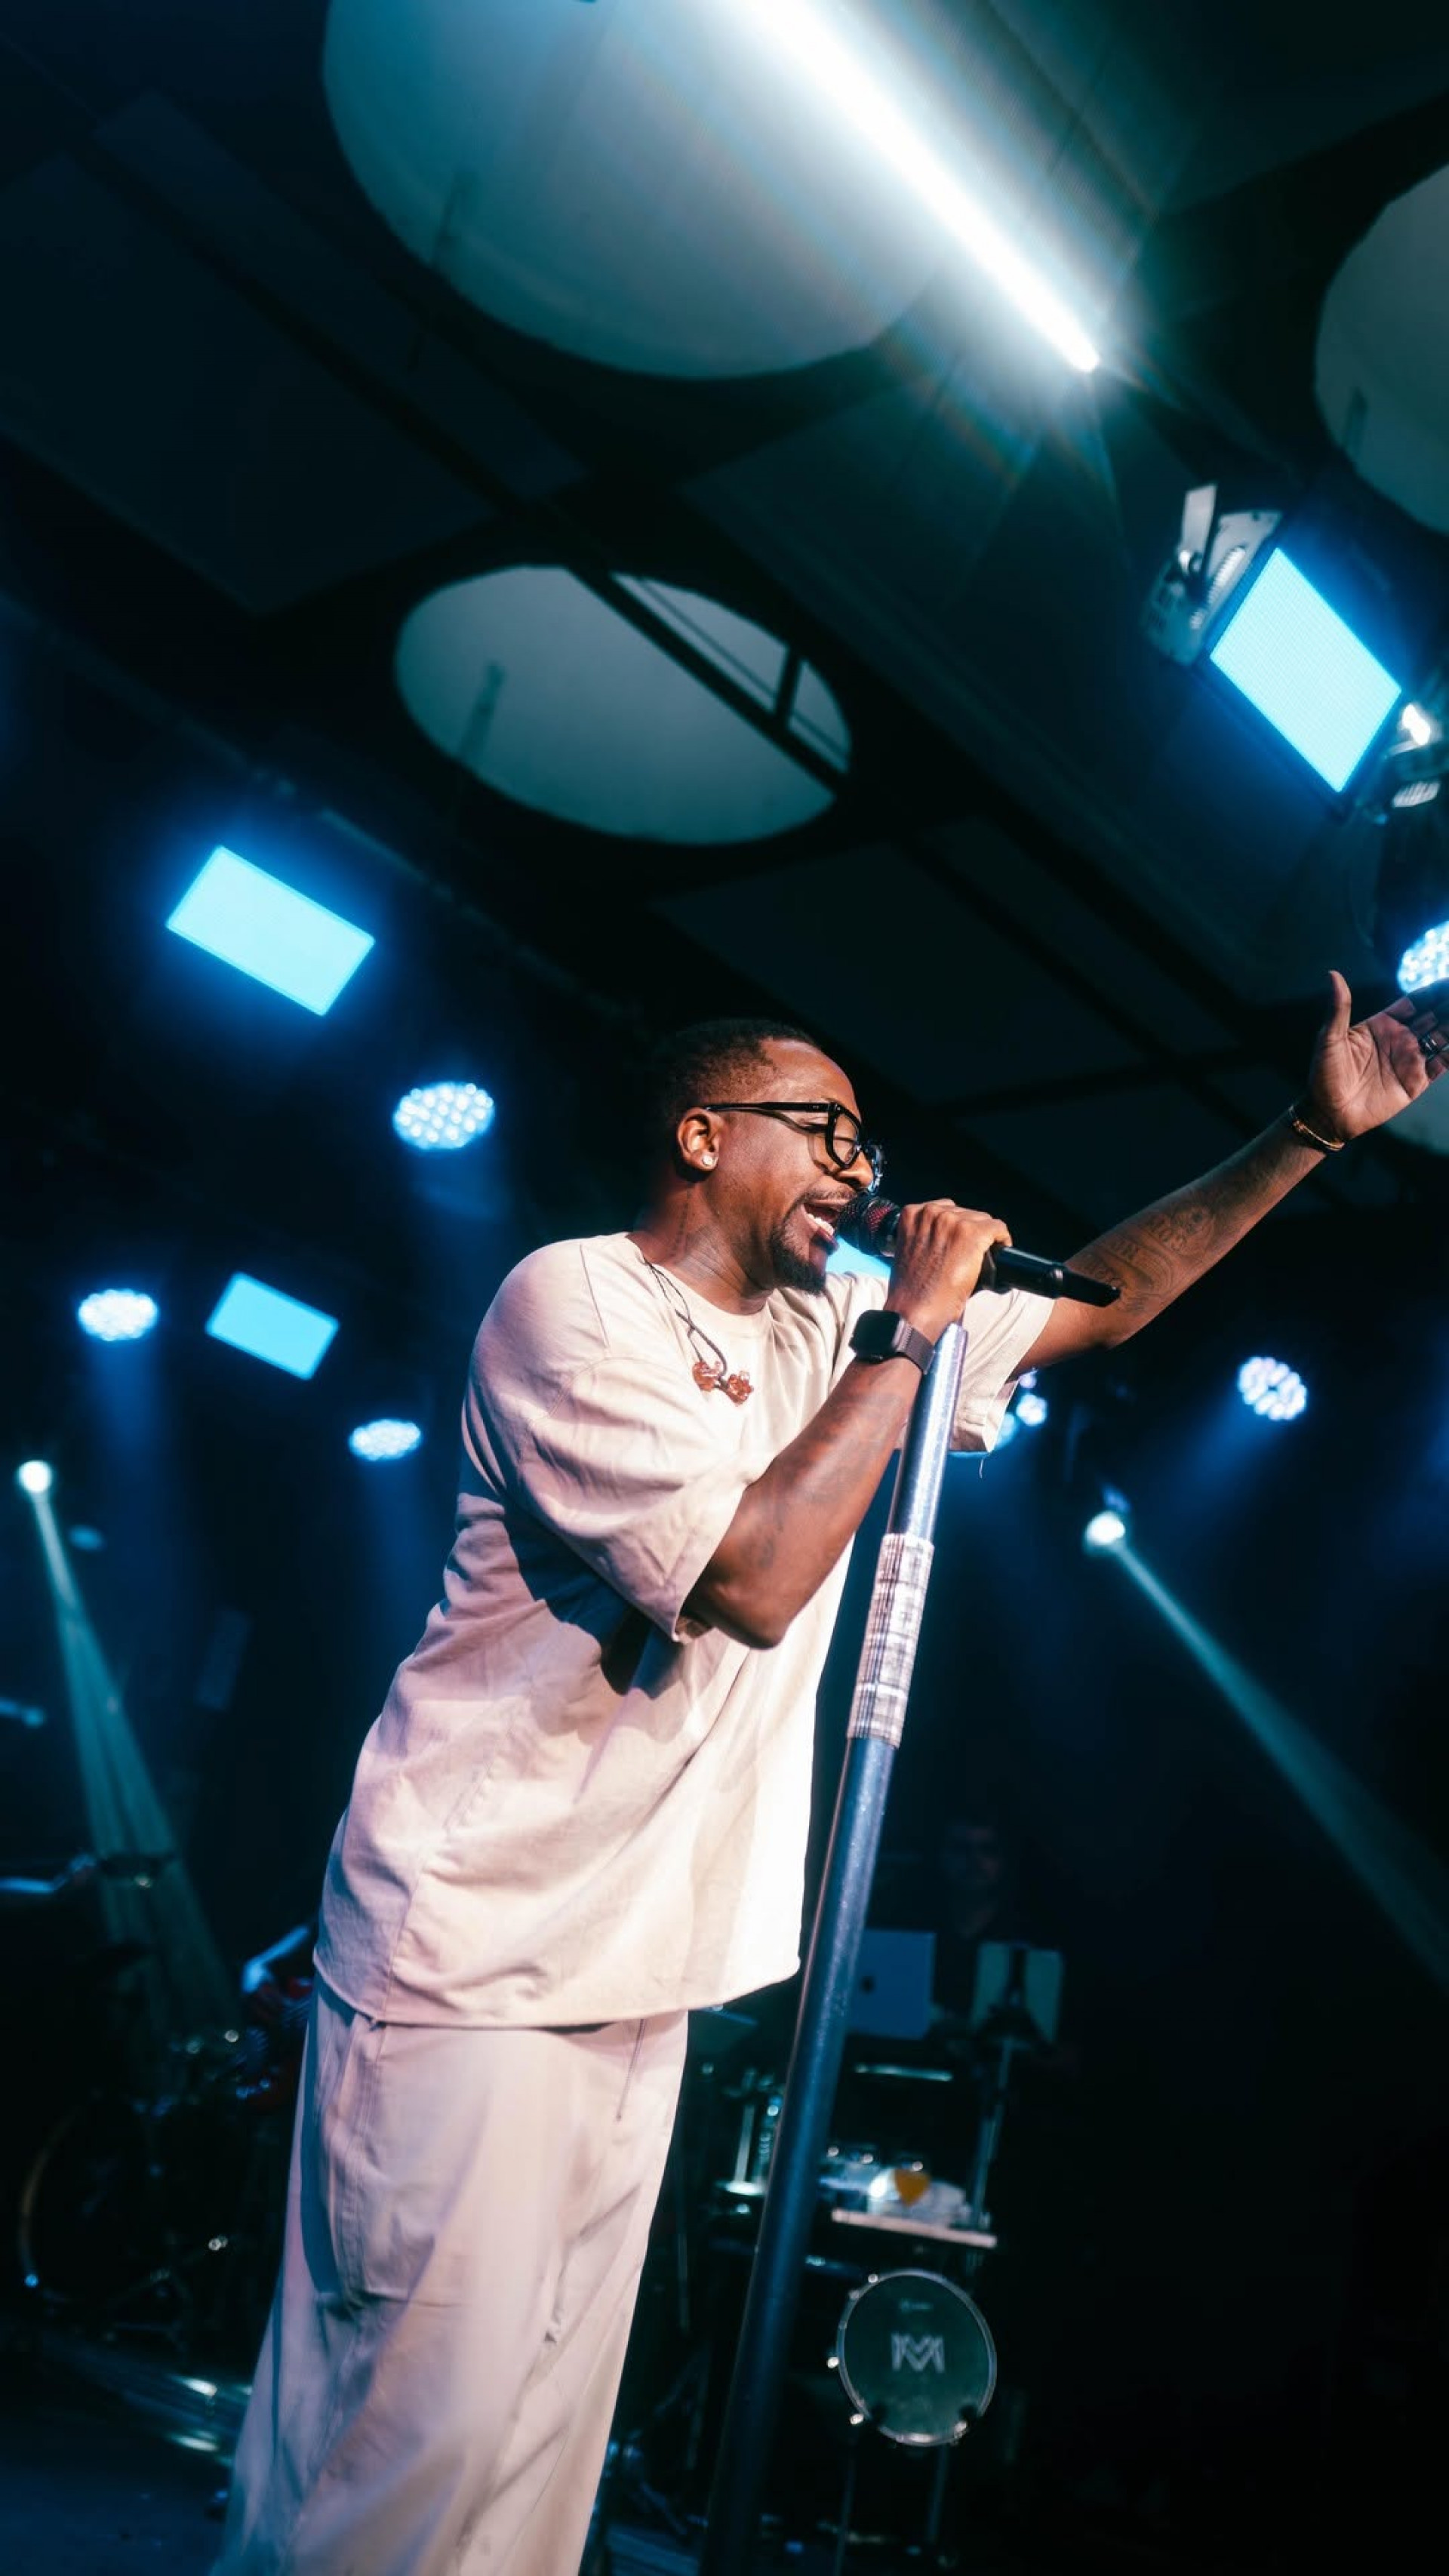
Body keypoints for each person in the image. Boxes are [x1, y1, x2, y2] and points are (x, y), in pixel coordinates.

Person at [214, 984, 1447, 2576]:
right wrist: (910, 1334)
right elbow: (750, 1577)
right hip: (469, 1956)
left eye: (869, 1144)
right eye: (826, 1131)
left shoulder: (835, 1328)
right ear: (701, 1134)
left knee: (528, 2475)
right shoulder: (575, 1299)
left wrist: (1303, 1138)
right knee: (406, 2447)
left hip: (633, 1977)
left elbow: (1106, 1303)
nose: (861, 1170)